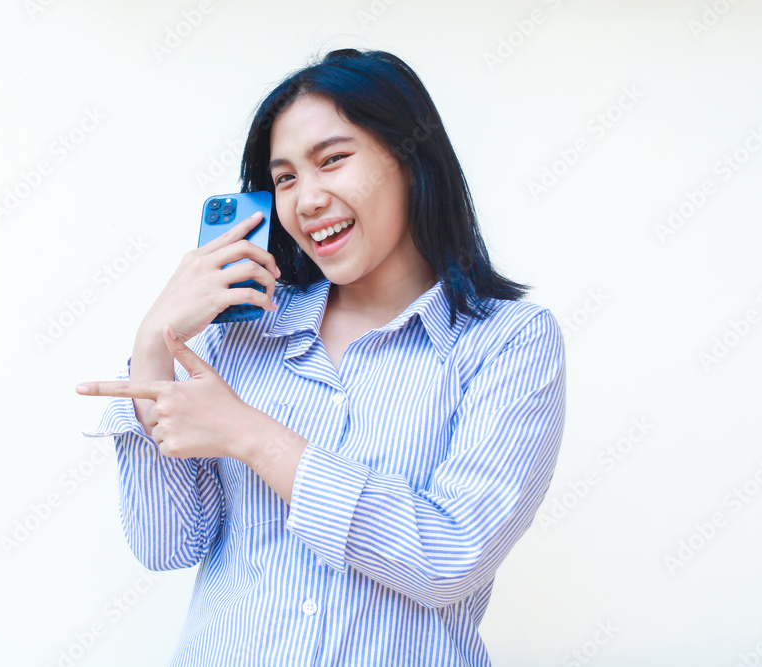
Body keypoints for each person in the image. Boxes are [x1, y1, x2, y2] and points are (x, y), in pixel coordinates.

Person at [78, 48, 566, 666]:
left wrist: (252, 435)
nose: (306, 200)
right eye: (284, 178)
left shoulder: (509, 342)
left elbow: (450, 557)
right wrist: (154, 345)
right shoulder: (243, 334)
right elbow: (168, 542)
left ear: (411, 161)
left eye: (332, 160)